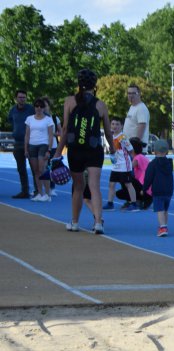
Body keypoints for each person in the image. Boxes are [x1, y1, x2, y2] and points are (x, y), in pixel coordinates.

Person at [54, 68, 114, 234]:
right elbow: (108, 132)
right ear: (94, 85)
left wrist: (58, 153)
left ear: (78, 84)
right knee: (94, 186)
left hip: (76, 150)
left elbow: (65, 129)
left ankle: (74, 222)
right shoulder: (100, 104)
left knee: (78, 186)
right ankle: (98, 223)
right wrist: (114, 151)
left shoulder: (69, 101)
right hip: (94, 150)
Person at [103, 117, 139, 212]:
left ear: (121, 126)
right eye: (113, 124)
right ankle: (110, 203)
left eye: (117, 124)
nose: (115, 126)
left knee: (128, 184)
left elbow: (131, 151)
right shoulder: (109, 137)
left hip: (124, 165)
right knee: (111, 184)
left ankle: (134, 203)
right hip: (115, 165)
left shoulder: (122, 138)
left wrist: (132, 164)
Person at [24, 98, 55, 202]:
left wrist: (49, 150)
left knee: (42, 169)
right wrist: (26, 149)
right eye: (37, 106)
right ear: (34, 107)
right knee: (36, 171)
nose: (39, 108)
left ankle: (47, 193)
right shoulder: (29, 119)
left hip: (43, 145)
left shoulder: (48, 119)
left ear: (44, 108)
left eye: (41, 106)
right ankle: (39, 193)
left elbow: (51, 136)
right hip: (32, 145)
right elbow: (27, 135)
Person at [7, 90, 35, 198]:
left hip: (30, 142)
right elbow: (10, 120)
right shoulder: (13, 110)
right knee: (21, 168)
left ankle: (38, 190)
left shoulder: (31, 109)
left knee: (34, 168)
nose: (22, 99)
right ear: (16, 98)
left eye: (24, 97)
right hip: (18, 143)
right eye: (20, 97)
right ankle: (25, 191)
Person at [143, 139, 174, 237]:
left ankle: (162, 227)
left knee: (159, 209)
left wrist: (144, 188)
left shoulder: (153, 164)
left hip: (158, 190)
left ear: (154, 151)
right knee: (165, 209)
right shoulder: (169, 163)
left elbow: (148, 177)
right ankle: (165, 225)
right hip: (169, 190)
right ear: (167, 151)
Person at [42, 96, 61, 196]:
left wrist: (52, 134)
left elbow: (60, 132)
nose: (44, 108)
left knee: (52, 167)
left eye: (45, 106)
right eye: (42, 106)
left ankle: (52, 187)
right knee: (42, 167)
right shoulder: (39, 118)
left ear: (49, 106)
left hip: (53, 146)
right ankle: (41, 188)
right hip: (42, 145)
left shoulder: (54, 118)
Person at [123, 84, 150, 153]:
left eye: (133, 93)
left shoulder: (141, 108)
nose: (130, 95)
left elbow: (142, 126)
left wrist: (135, 146)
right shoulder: (132, 107)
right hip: (130, 148)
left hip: (136, 150)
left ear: (139, 94)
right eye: (129, 93)